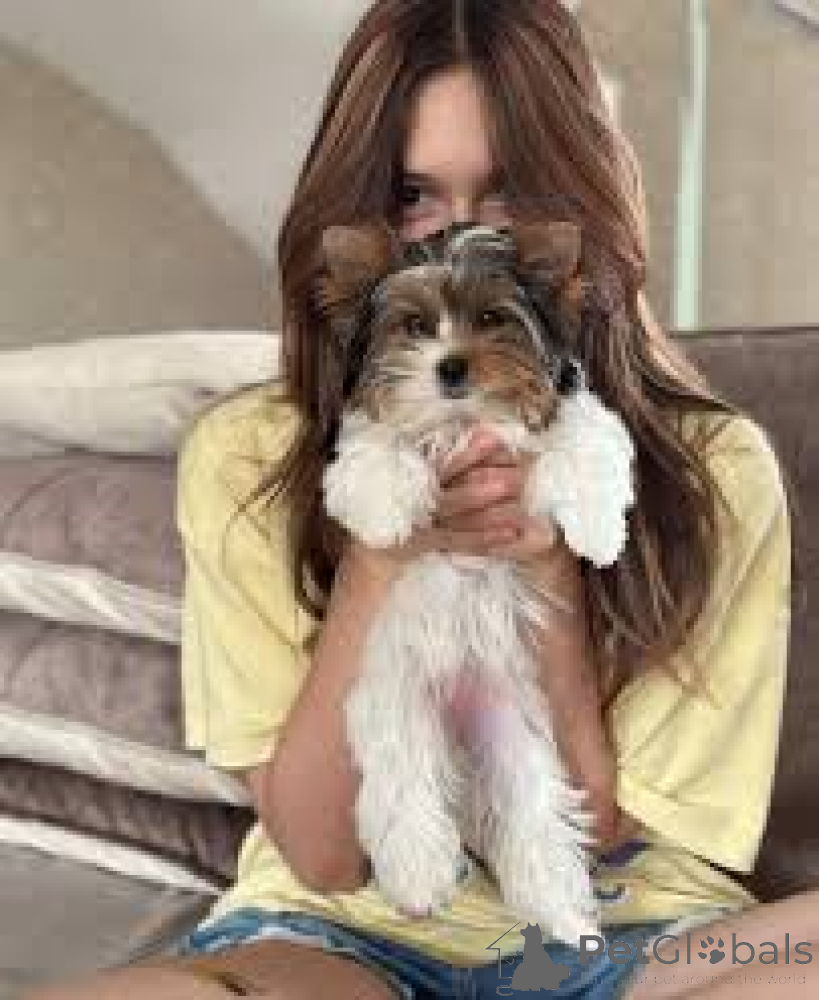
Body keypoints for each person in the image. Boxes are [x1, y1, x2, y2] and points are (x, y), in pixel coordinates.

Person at [25, 2, 816, 999]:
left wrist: (547, 568)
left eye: (509, 192)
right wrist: (378, 560)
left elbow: (598, 835)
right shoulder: (247, 454)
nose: (464, 235)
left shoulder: (713, 469)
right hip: (340, 937)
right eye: (413, 196)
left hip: (635, 941)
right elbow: (321, 856)